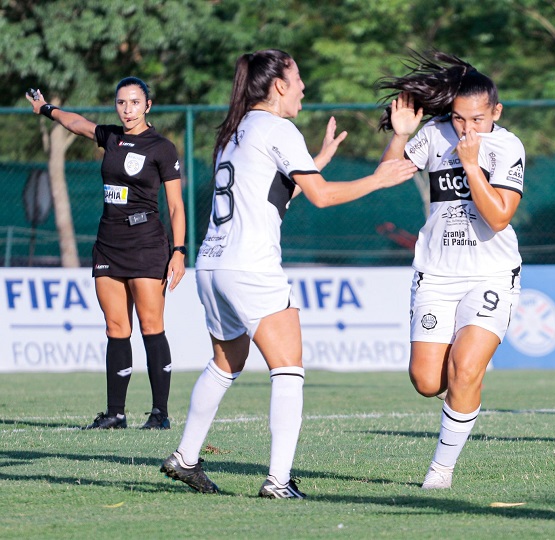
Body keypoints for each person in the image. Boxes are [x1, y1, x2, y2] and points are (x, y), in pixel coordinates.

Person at [160, 49, 417, 498]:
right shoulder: (277, 127)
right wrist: (379, 179)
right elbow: (319, 197)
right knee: (288, 369)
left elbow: (276, 197)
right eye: (297, 79)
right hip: (250, 266)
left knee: (226, 363)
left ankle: (185, 457)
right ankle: (278, 481)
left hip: (213, 263)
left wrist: (319, 159)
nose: (302, 87)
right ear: (278, 85)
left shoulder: (234, 131)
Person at [378, 51, 526, 489]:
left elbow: (499, 216)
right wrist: (401, 136)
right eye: (460, 119)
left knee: (465, 366)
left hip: (492, 273)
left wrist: (470, 163)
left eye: (477, 119)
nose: (466, 128)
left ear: (495, 112)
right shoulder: (434, 133)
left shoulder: (507, 146)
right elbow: (387, 173)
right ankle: (465, 390)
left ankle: (440, 471)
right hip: (436, 274)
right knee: (426, 381)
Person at [26, 78, 186, 431]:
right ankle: (116, 414)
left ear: (148, 105)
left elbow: (175, 206)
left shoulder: (162, 148)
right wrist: (47, 110)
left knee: (151, 326)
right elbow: (78, 124)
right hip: (109, 242)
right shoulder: (111, 137)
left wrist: (178, 250)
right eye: (121, 103)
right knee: (116, 327)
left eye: (134, 102)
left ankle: (160, 413)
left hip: (147, 242)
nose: (127, 109)